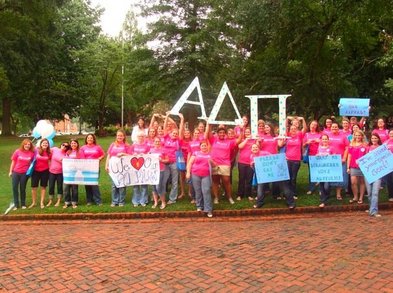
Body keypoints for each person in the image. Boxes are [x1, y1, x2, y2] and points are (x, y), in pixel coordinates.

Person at [207, 124, 241, 204]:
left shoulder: (229, 142)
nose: (221, 134)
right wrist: (209, 125)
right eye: (220, 133)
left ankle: (229, 197)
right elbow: (208, 134)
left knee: (226, 180)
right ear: (218, 133)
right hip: (214, 163)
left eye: (223, 133)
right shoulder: (214, 140)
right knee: (215, 181)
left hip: (225, 163)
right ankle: (216, 198)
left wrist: (242, 130)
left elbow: (239, 140)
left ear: (225, 134)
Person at [186, 140, 214, 217]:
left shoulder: (210, 154)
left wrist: (212, 162)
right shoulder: (196, 153)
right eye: (202, 145)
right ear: (200, 147)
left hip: (206, 175)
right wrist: (188, 172)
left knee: (206, 191)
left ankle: (208, 209)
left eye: (205, 145)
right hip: (195, 174)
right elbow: (190, 163)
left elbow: (215, 165)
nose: (204, 147)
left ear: (207, 146)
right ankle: (199, 206)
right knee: (198, 190)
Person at [105, 129, 129, 207]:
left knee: (122, 185)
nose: (119, 137)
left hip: (123, 168)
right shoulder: (113, 144)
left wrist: (123, 154)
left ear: (124, 136)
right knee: (114, 185)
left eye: (121, 135)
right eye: (118, 135)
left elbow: (130, 156)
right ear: (116, 136)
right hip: (113, 168)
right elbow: (109, 155)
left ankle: (121, 201)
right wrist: (106, 165)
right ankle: (114, 201)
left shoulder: (126, 145)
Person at [9, 139, 35, 210]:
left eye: (29, 144)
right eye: (26, 144)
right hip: (16, 172)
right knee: (15, 188)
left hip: (24, 173)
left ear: (30, 146)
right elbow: (13, 162)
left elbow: (33, 163)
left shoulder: (31, 153)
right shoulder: (17, 151)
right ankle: (16, 204)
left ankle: (23, 204)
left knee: (22, 188)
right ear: (23, 144)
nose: (27, 145)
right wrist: (10, 171)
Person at [279, 124, 304, 200]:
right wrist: (283, 140)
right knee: (287, 177)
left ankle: (293, 193)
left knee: (293, 178)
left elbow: (304, 128)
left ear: (297, 130)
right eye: (291, 129)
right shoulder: (287, 138)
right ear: (289, 130)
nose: (293, 130)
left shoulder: (299, 136)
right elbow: (280, 145)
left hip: (296, 160)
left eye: (295, 129)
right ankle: (286, 193)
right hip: (287, 159)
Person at [80, 134, 105, 206]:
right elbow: (82, 158)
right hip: (86, 168)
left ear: (93, 139)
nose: (90, 139)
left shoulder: (98, 147)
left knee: (94, 184)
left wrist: (100, 158)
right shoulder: (83, 148)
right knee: (87, 185)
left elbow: (103, 154)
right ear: (86, 139)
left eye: (91, 138)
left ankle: (98, 201)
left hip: (95, 168)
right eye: (88, 138)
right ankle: (89, 200)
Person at [128, 130, 150, 206]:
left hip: (144, 168)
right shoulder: (134, 145)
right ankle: (135, 201)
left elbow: (150, 155)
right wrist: (133, 154)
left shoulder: (147, 146)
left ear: (144, 137)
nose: (141, 137)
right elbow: (129, 154)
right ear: (137, 137)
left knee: (144, 185)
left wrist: (144, 154)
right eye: (139, 136)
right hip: (135, 168)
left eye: (142, 136)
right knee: (136, 185)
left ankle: (143, 200)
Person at [328, 122, 349, 200]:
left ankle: (338, 193)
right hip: (330, 159)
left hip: (340, 159)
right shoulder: (327, 136)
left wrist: (344, 158)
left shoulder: (343, 136)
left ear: (338, 128)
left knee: (340, 176)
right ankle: (328, 191)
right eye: (333, 127)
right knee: (330, 175)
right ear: (330, 128)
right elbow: (322, 145)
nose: (334, 128)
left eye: (336, 127)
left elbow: (347, 147)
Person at [347, 130, 368, 204]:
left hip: (363, 167)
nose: (358, 137)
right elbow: (349, 156)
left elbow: (367, 156)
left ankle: (361, 197)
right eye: (356, 135)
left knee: (362, 182)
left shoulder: (365, 145)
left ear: (362, 136)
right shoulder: (351, 144)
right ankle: (355, 196)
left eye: (359, 135)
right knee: (353, 182)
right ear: (354, 136)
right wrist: (348, 167)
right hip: (353, 166)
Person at [29, 138, 52, 209]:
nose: (45, 144)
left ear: (48, 145)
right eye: (43, 143)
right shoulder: (36, 150)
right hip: (35, 171)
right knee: (34, 187)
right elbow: (32, 157)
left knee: (43, 187)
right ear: (41, 144)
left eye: (46, 143)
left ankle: (41, 202)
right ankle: (34, 202)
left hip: (45, 171)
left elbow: (49, 162)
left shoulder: (49, 152)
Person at [63, 139, 85, 209]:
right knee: (66, 188)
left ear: (77, 144)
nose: (73, 144)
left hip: (76, 173)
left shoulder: (80, 152)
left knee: (74, 188)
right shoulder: (68, 152)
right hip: (68, 173)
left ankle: (74, 202)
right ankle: (67, 202)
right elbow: (66, 161)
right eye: (72, 143)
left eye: (75, 143)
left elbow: (83, 161)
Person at [149, 137, 170, 209]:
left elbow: (167, 160)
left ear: (160, 142)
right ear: (153, 142)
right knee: (154, 187)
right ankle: (156, 202)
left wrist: (162, 160)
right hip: (152, 171)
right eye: (156, 141)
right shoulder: (151, 150)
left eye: (158, 141)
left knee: (159, 187)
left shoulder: (163, 150)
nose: (157, 143)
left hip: (161, 170)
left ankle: (163, 201)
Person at [237, 127, 257, 201]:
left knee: (249, 179)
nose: (247, 133)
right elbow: (240, 146)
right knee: (241, 179)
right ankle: (240, 194)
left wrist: (257, 140)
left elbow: (258, 147)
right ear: (244, 133)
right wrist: (246, 139)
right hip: (242, 162)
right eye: (246, 132)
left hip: (251, 162)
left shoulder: (254, 140)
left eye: (249, 132)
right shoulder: (242, 140)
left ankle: (249, 194)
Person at [47, 142, 70, 207]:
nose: (64, 146)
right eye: (63, 144)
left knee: (59, 187)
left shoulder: (66, 155)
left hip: (60, 173)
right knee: (51, 186)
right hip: (51, 172)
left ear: (67, 148)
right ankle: (50, 200)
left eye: (66, 146)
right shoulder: (55, 149)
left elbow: (69, 162)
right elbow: (46, 150)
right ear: (61, 144)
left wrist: (65, 158)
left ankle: (58, 200)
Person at [365, 133, 383, 217]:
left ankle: (374, 211)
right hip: (368, 173)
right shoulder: (367, 148)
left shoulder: (382, 148)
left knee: (375, 192)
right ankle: (371, 208)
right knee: (369, 193)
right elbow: (363, 159)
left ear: (378, 139)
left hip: (378, 173)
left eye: (376, 138)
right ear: (370, 139)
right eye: (372, 138)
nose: (374, 140)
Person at [251, 143, 271, 209]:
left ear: (259, 148)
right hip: (260, 175)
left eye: (256, 147)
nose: (255, 148)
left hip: (269, 172)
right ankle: (260, 202)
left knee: (281, 184)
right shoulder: (251, 156)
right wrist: (252, 164)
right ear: (251, 149)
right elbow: (253, 168)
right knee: (260, 188)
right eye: (253, 147)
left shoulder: (264, 153)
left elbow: (273, 158)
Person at [303, 120, 321, 194]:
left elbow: (326, 142)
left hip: (319, 155)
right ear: (309, 125)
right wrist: (307, 143)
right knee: (311, 172)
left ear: (317, 127)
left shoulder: (320, 134)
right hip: (310, 156)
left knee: (320, 172)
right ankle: (311, 188)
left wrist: (319, 141)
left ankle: (321, 189)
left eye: (315, 125)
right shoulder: (307, 134)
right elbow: (303, 145)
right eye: (312, 124)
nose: (313, 126)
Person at [316, 134, 333, 208]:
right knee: (321, 186)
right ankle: (323, 201)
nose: (324, 140)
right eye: (323, 139)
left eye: (326, 139)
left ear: (328, 140)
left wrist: (331, 157)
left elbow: (335, 157)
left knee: (327, 186)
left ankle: (327, 196)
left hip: (328, 170)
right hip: (321, 170)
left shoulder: (331, 148)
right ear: (321, 140)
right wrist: (316, 156)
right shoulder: (319, 148)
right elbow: (316, 156)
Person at [384, 129, 393, 201]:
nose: (392, 134)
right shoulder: (385, 143)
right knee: (389, 180)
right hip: (388, 164)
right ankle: (391, 196)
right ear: (388, 134)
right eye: (390, 133)